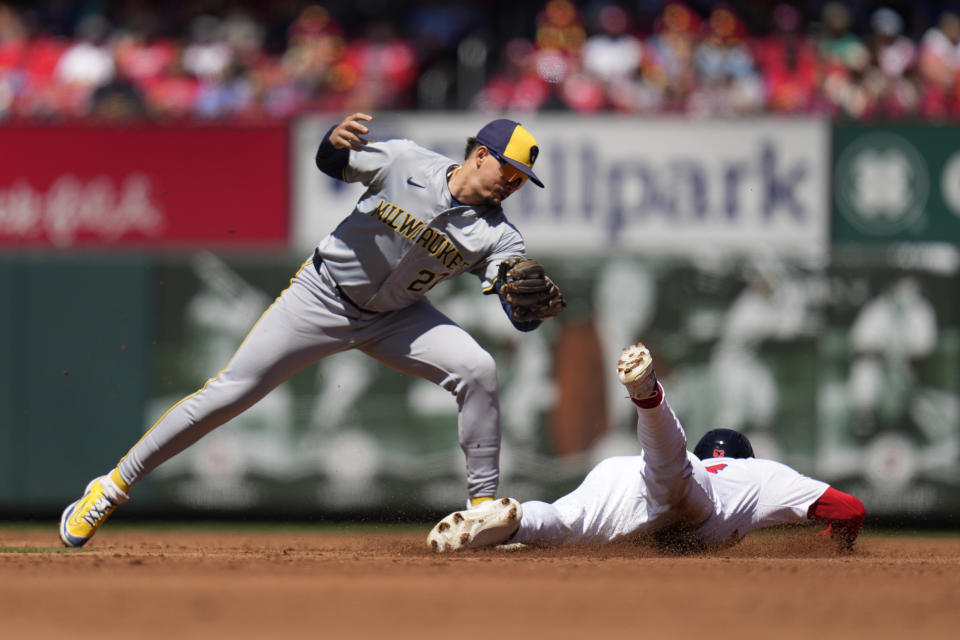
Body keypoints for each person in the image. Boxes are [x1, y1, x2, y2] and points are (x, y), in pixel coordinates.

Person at [60, 113, 564, 547]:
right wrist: (331, 140)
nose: (513, 183)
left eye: (522, 179)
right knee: (228, 393)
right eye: (509, 169)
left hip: (398, 316)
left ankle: (482, 509)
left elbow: (514, 306)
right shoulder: (406, 162)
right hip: (320, 296)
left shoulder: (500, 235)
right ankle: (109, 488)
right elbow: (334, 163)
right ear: (480, 154)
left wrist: (527, 311)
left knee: (477, 369)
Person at [428, 342, 866, 553]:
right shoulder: (761, 475)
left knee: (561, 522)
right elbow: (851, 510)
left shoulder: (710, 466)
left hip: (622, 475)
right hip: (691, 497)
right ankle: (648, 395)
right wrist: (832, 545)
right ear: (741, 457)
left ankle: (512, 520)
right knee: (673, 470)